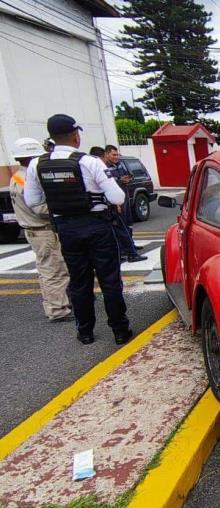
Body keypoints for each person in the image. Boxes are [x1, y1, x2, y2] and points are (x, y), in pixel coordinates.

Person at [24, 114, 133, 345]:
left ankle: (85, 332)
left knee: (79, 281)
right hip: (97, 226)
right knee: (110, 281)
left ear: (51, 137)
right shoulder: (89, 162)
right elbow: (117, 196)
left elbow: (32, 201)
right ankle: (120, 330)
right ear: (76, 136)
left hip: (66, 229)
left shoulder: (37, 164)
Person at [8, 138, 72, 321]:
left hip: (35, 231)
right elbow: (38, 207)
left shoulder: (17, 176)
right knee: (55, 271)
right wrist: (63, 207)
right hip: (43, 230)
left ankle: (55, 304)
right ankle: (58, 310)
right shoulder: (27, 178)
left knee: (47, 270)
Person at [102, 145, 146, 262]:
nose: (116, 157)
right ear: (106, 154)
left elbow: (127, 175)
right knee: (120, 228)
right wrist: (120, 180)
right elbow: (108, 183)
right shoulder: (105, 168)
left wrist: (127, 179)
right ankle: (126, 251)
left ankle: (130, 245)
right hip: (116, 202)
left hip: (125, 197)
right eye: (113, 155)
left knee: (128, 224)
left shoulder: (120, 165)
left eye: (117, 155)